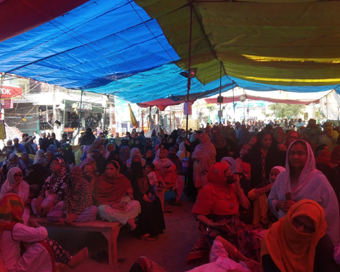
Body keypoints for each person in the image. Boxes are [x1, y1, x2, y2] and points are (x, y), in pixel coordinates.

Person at [268, 140, 340, 245]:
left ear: (308, 156)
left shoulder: (318, 179)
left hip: (311, 238)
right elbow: (271, 199)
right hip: (285, 232)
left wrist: (300, 209)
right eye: (292, 153)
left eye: (300, 153)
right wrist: (280, 204)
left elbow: (330, 211)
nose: (295, 157)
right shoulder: (281, 178)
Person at [192, 163, 263, 262]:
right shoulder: (207, 190)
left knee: (252, 243)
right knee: (229, 247)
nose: (231, 176)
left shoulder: (232, 187)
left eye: (231, 173)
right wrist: (211, 224)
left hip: (234, 222)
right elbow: (198, 214)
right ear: (219, 175)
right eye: (228, 174)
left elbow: (246, 206)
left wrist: (238, 187)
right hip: (216, 223)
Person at [0, 193, 89, 272]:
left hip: (6, 267)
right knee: (47, 243)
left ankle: (65, 259)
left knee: (35, 246)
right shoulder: (14, 227)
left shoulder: (3, 226)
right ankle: (70, 261)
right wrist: (36, 224)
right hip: (15, 268)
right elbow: (43, 233)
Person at [261, 200, 339, 272]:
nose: (300, 229)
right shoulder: (272, 236)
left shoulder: (320, 241)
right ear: (290, 217)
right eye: (297, 222)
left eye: (308, 228)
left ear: (315, 230)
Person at [125, 156, 165, 240]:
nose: (136, 163)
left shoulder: (143, 172)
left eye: (138, 161)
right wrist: (142, 196)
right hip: (135, 196)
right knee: (146, 205)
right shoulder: (129, 173)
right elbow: (131, 188)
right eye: (134, 161)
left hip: (145, 194)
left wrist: (149, 193)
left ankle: (157, 229)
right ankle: (143, 231)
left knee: (156, 200)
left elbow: (148, 185)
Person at [94, 160, 141, 229]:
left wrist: (124, 203)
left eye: (111, 169)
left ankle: (115, 217)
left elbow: (128, 195)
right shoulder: (102, 179)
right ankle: (127, 219)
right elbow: (98, 198)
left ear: (117, 170)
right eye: (107, 169)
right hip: (108, 205)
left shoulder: (122, 179)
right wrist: (112, 205)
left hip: (120, 204)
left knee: (136, 203)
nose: (109, 171)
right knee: (101, 209)